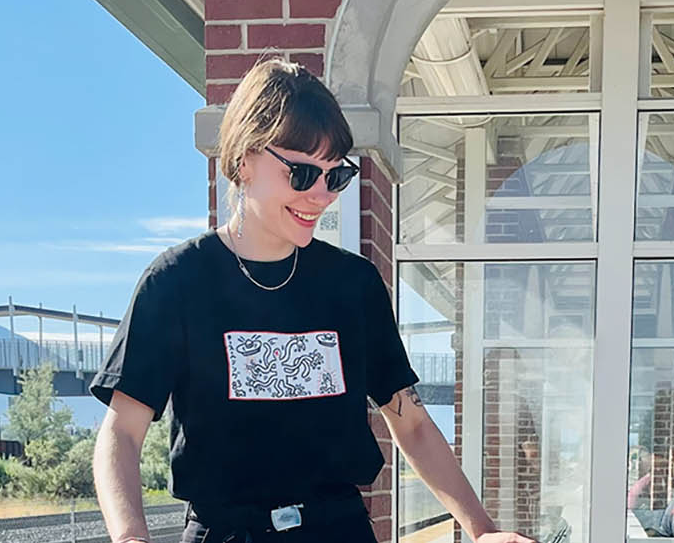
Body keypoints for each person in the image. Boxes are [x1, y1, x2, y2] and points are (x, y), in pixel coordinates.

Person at [89, 58, 537, 543]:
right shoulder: (176, 282)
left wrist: (481, 531)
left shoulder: (353, 285)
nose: (321, 196)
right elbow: (122, 433)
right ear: (244, 159)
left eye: (335, 176)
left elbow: (411, 425)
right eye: (302, 174)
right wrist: (130, 536)